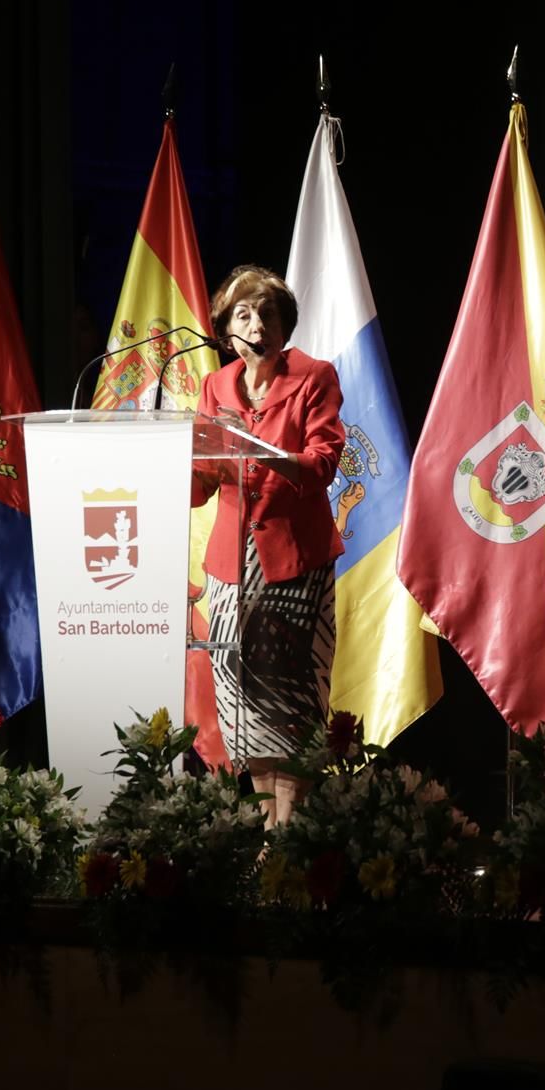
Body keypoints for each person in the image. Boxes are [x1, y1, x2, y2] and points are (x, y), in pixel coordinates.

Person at [189, 265, 346, 823]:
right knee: (242, 704)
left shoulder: (314, 378)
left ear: (285, 324)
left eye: (268, 313)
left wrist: (264, 454)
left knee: (291, 702)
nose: (258, 325)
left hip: (291, 561)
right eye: (244, 314)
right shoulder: (215, 386)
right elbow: (206, 479)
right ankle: (264, 835)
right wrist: (164, 473)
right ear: (226, 328)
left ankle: (292, 835)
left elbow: (324, 462)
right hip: (230, 566)